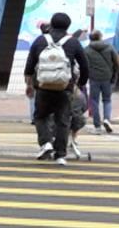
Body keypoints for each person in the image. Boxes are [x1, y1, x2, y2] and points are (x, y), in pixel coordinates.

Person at [23, 12, 89, 166]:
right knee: (62, 120)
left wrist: (29, 84)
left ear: (51, 24)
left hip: (43, 87)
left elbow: (29, 65)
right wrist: (81, 84)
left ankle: (46, 143)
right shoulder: (73, 42)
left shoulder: (40, 40)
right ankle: (60, 154)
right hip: (65, 88)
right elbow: (84, 65)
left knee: (40, 116)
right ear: (68, 26)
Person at [85, 29, 119, 133]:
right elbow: (117, 62)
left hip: (94, 78)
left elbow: (85, 65)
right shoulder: (109, 47)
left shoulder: (87, 50)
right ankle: (107, 119)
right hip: (107, 77)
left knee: (94, 101)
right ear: (101, 37)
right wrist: (114, 75)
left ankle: (97, 126)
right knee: (107, 100)